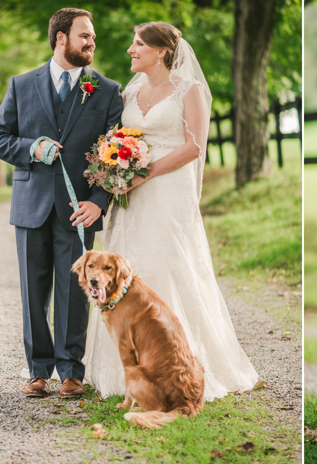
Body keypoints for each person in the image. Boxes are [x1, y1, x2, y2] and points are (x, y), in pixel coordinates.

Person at [83, 22, 259, 399]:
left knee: (169, 266)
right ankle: (124, 367)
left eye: (138, 44)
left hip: (167, 191)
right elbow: (119, 139)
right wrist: (115, 167)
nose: (131, 50)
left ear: (161, 51)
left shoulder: (188, 90)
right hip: (131, 194)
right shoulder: (130, 91)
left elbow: (194, 146)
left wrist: (142, 174)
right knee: (128, 268)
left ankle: (181, 361)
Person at [0, 8, 124, 398]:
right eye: (85, 36)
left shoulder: (108, 90)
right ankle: (37, 371)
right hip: (31, 206)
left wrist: (99, 201)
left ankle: (71, 372)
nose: (92, 43)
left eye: (93, 37)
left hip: (80, 210)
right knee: (33, 292)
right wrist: (32, 148)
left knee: (76, 292)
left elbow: (117, 154)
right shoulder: (20, 85)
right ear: (61, 38)